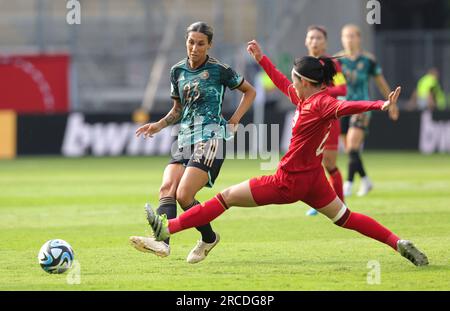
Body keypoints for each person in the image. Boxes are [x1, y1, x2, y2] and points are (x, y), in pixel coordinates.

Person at [130, 40, 428, 267]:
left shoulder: (321, 104)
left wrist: (379, 105)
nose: (291, 83)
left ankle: (169, 228)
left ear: (308, 83)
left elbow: (345, 107)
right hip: (313, 180)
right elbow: (283, 82)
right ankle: (397, 241)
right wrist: (261, 59)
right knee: (346, 217)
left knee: (226, 197)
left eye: (296, 79)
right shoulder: (307, 99)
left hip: (288, 181)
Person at [130, 21, 256, 264]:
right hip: (184, 137)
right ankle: (166, 243)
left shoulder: (220, 70)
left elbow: (250, 91)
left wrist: (235, 119)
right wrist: (159, 124)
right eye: (191, 42)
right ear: (185, 43)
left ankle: (203, 238)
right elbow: (178, 109)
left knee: (184, 194)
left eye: (200, 43)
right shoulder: (177, 71)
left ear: (209, 45)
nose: (195, 48)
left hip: (210, 136)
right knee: (167, 188)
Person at [338, 24, 399, 197]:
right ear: (342, 39)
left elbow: (381, 82)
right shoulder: (337, 60)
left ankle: (348, 185)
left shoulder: (368, 60)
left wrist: (391, 103)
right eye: (345, 36)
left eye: (352, 36)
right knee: (351, 149)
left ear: (359, 38)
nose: (349, 39)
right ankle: (365, 180)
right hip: (341, 108)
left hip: (362, 107)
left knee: (352, 145)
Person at [303, 25, 347, 216]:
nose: (314, 41)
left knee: (329, 164)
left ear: (325, 42)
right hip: (308, 121)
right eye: (311, 38)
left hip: (328, 119)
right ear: (306, 41)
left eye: (318, 38)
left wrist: (323, 92)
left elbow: (343, 89)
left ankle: (341, 205)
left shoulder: (331, 64)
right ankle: (320, 202)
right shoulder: (303, 64)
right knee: (311, 163)